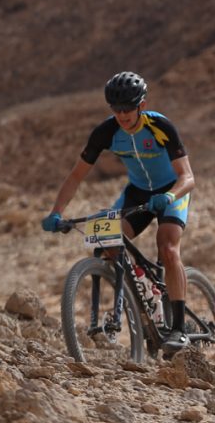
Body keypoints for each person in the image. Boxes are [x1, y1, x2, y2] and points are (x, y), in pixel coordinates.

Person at [41, 71, 196, 351]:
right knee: (107, 242)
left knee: (168, 246)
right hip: (136, 193)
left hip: (171, 190)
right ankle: (147, 293)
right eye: (116, 109)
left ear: (142, 105)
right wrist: (56, 212)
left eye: (128, 109)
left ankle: (179, 327)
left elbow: (188, 176)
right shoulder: (106, 132)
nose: (122, 115)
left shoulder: (161, 126)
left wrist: (169, 196)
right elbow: (76, 176)